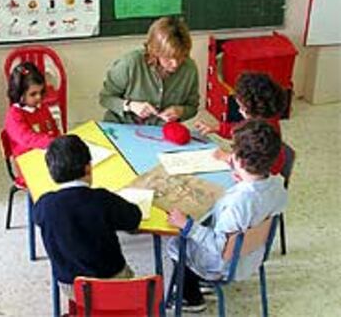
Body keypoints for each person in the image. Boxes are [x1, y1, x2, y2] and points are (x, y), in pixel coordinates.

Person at [166, 119, 288, 312]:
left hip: (223, 263)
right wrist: (241, 176)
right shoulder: (278, 185)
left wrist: (187, 225)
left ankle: (192, 298)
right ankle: (202, 283)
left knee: (175, 245)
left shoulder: (237, 204)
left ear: (239, 160)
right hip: (252, 257)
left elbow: (217, 246)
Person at [33, 135, 142, 299]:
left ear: (52, 173)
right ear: (88, 168)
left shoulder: (45, 204)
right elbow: (134, 218)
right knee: (127, 276)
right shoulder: (101, 199)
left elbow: (38, 218)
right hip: (112, 282)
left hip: (71, 286)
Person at [99, 16, 200, 125]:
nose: (175, 64)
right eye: (168, 57)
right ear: (155, 52)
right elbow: (105, 98)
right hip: (122, 127)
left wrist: (181, 111)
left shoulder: (189, 69)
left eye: (181, 56)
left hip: (158, 133)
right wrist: (130, 106)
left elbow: (192, 107)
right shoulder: (130, 63)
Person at [195, 72, 287, 174]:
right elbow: (241, 129)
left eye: (242, 107)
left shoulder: (260, 133)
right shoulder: (266, 118)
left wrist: (227, 157)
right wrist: (217, 128)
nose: (239, 110)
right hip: (262, 167)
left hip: (261, 175)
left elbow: (251, 163)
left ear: (252, 110)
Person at [4, 62, 60, 157]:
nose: (39, 97)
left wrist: (60, 140)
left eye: (41, 92)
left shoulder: (41, 106)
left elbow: (53, 127)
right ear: (19, 94)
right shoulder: (14, 116)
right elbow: (28, 139)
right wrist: (54, 143)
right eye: (33, 94)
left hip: (48, 152)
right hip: (27, 158)